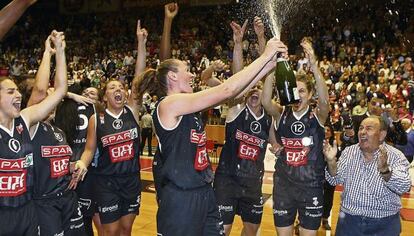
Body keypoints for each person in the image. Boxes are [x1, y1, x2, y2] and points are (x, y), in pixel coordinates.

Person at [136, 37, 287, 235]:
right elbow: (227, 90)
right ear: (172, 77)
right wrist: (265, 55)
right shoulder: (169, 105)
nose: (192, 75)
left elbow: (237, 91)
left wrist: (268, 65)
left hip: (204, 192)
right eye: (186, 71)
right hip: (181, 198)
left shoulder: (188, 106)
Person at [70, 20, 147, 236]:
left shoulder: (132, 111)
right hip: (106, 182)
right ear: (105, 96)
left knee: (126, 229)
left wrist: (141, 43)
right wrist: (82, 165)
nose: (119, 89)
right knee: (110, 231)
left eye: (121, 87)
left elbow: (138, 81)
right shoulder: (98, 118)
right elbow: (89, 149)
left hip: (131, 179)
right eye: (113, 87)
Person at [0, 30, 67, 235]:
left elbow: (60, 90)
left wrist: (59, 52)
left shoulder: (25, 119)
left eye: (18, 91)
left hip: (28, 211)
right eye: (10, 92)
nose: (18, 95)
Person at [212, 17, 274, 236]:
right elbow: (238, 82)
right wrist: (238, 44)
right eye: (251, 87)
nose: (254, 90)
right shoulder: (237, 108)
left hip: (252, 183)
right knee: (222, 230)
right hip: (227, 180)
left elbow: (268, 73)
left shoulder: (269, 118)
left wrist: (260, 38)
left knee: (251, 231)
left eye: (259, 87)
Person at [261, 38, 329, 236]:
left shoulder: (318, 115)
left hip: (311, 186)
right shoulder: (281, 112)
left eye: (302, 91)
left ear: (310, 94)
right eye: (295, 90)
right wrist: (272, 68)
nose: (298, 95)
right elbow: (266, 101)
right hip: (284, 186)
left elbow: (324, 100)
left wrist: (314, 66)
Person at [323, 116, 411, 236]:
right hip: (349, 222)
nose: (362, 132)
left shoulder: (396, 156)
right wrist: (331, 162)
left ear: (381, 135)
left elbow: (404, 187)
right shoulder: (349, 152)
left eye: (369, 128)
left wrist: (385, 170)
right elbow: (334, 179)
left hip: (384, 224)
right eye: (361, 128)